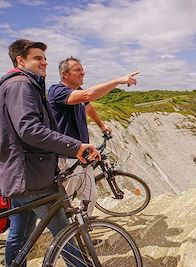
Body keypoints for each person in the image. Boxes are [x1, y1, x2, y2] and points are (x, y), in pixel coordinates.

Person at [0, 39, 99, 267]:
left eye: (44, 58)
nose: (44, 62)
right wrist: (75, 146)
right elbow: (29, 129)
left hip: (21, 173)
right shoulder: (20, 85)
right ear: (20, 60)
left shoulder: (22, 84)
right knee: (64, 234)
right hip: (31, 176)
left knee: (20, 233)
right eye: (38, 58)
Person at [48, 56, 139, 215]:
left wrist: (102, 126)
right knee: (65, 201)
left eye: (82, 70)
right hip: (67, 156)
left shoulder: (77, 92)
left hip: (82, 155)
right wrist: (118, 81)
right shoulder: (57, 91)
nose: (83, 73)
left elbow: (88, 106)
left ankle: (84, 234)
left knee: (90, 197)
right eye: (77, 69)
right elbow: (88, 96)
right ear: (64, 74)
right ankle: (65, 236)